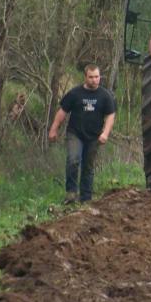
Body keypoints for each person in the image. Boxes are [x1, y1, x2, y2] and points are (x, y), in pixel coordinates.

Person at [48, 64, 116, 204]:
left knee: (88, 166)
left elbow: (110, 115)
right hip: (75, 133)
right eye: (91, 77)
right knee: (73, 160)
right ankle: (71, 193)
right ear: (85, 77)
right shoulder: (75, 93)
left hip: (94, 136)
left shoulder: (105, 95)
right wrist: (54, 129)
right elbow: (62, 112)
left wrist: (105, 133)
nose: (94, 80)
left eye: (97, 77)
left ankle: (86, 198)